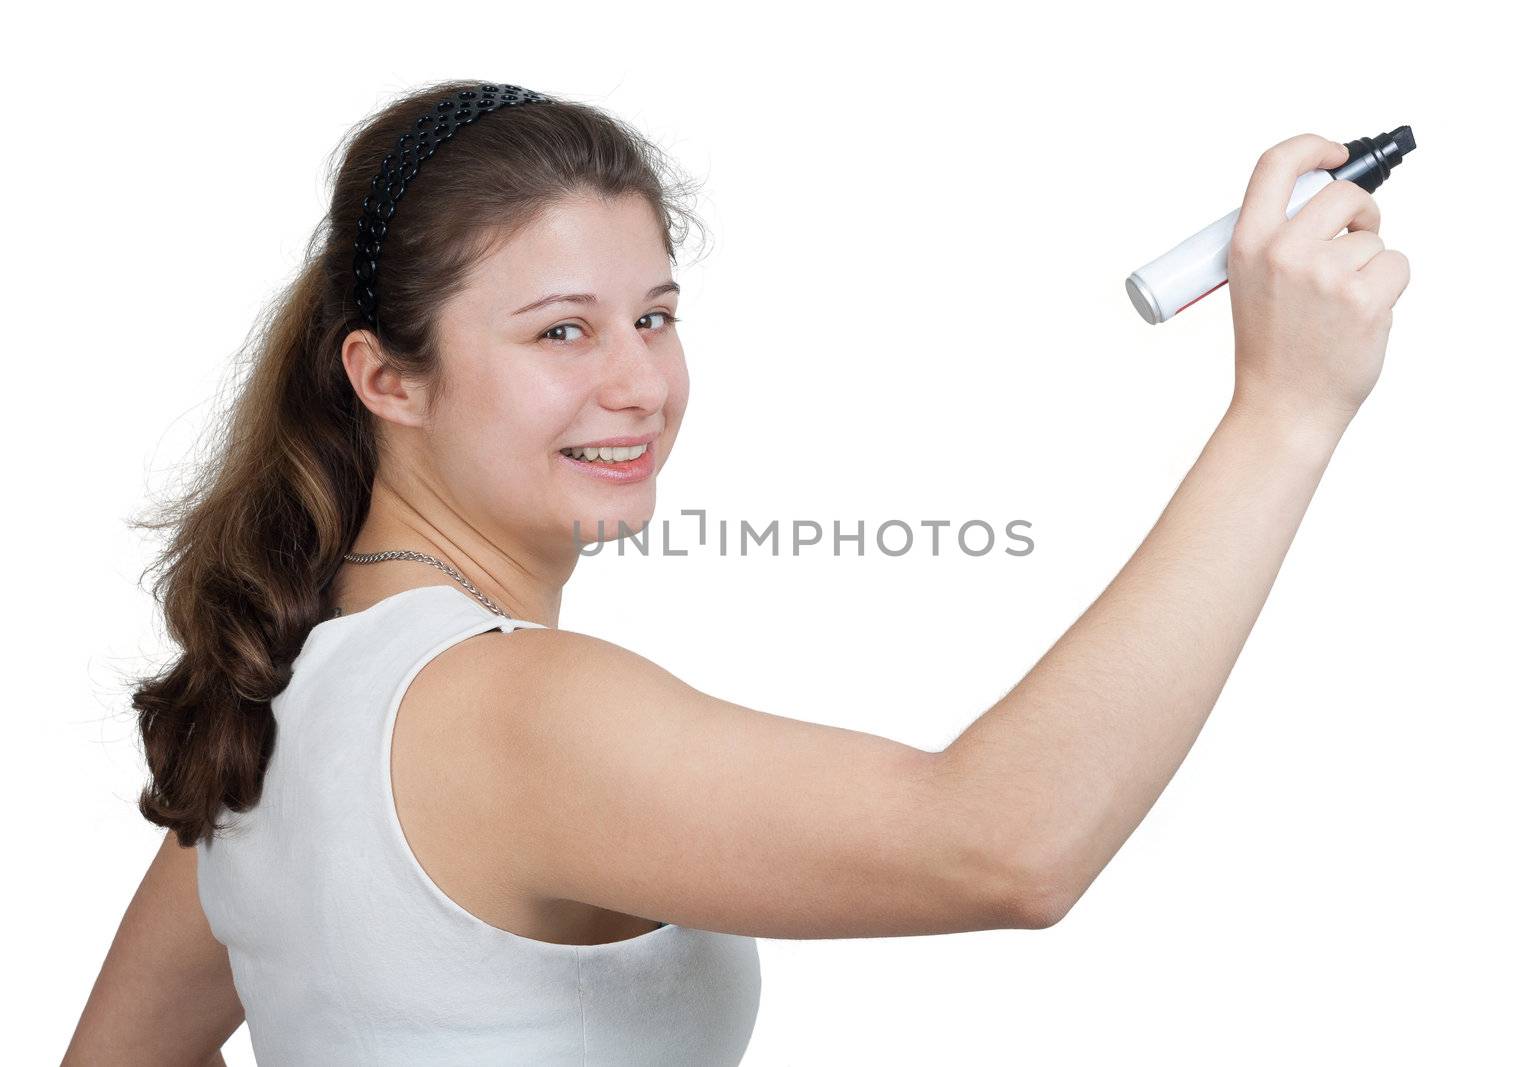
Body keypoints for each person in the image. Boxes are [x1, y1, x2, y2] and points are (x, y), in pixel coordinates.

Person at [64, 78, 1409, 1065]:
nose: (636, 381)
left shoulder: (265, 721)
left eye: (654, 316)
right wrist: (1284, 413)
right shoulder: (512, 710)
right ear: (386, 377)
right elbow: (1007, 844)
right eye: (559, 332)